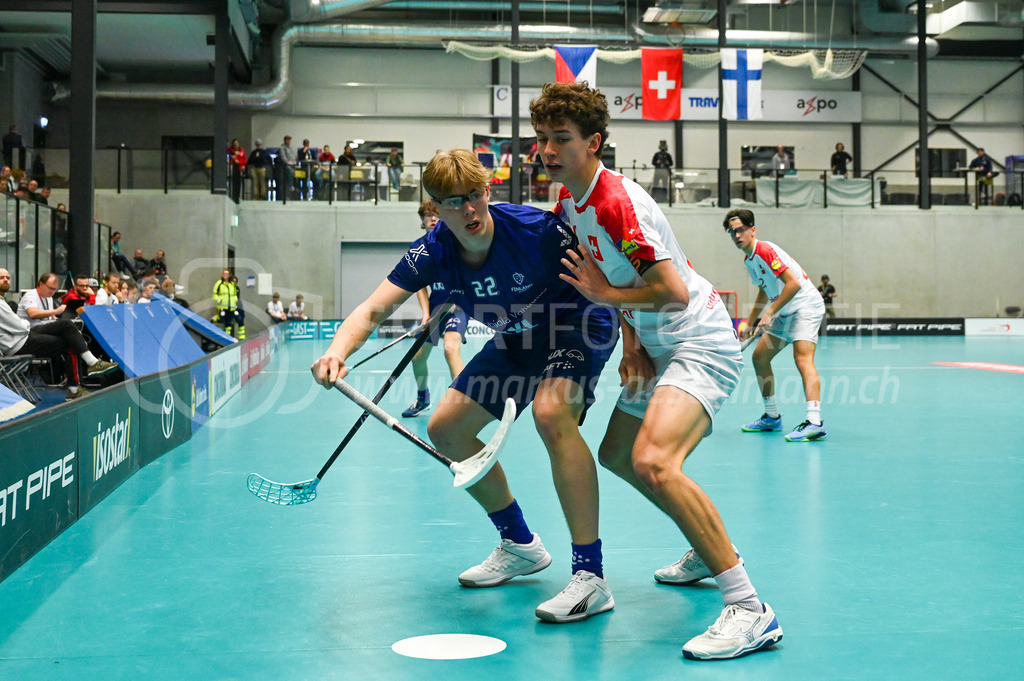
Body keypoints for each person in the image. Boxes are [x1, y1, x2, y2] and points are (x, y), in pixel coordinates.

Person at [311, 148, 619, 625]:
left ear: (488, 191)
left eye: (475, 196)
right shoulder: (432, 252)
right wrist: (337, 352)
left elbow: (613, 275)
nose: (469, 210)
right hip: (517, 340)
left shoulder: (536, 232)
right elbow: (372, 310)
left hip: (577, 324)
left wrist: (638, 343)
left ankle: (590, 575)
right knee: (447, 427)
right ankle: (520, 544)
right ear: (435, 208)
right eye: (453, 202)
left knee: (551, 415)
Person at [530, 81, 782, 661]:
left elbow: (668, 289)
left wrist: (605, 294)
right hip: (654, 342)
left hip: (699, 339)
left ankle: (749, 608)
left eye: (561, 139)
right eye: (542, 138)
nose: (547, 150)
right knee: (618, 455)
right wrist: (631, 343)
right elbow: (612, 282)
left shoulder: (617, 202)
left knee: (654, 460)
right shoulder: (573, 201)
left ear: (594, 142)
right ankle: (704, 541)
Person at [723, 208, 827, 443]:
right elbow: (764, 289)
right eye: (732, 232)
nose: (737, 235)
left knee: (802, 358)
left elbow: (793, 284)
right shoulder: (749, 260)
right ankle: (772, 417)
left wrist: (769, 313)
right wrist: (750, 322)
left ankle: (814, 422)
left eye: (740, 230)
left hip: (805, 306)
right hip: (784, 310)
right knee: (759, 358)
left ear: (753, 229)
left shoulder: (765, 250)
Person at [1, 268, 119, 400]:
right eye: (1, 278)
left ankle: (84, 375)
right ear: (41, 284)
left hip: (26, 336)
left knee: (68, 330)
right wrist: (54, 312)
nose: (5, 280)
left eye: (7, 277)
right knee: (68, 333)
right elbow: (23, 323)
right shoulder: (22, 298)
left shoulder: (44, 298)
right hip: (21, 341)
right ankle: (85, 372)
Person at [401, 200, 469, 418]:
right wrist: (426, 313)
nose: (432, 219)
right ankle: (423, 399)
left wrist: (459, 300)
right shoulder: (418, 248)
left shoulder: (456, 242)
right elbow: (419, 283)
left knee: (451, 349)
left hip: (458, 306)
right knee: (417, 358)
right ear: (422, 219)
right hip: (436, 310)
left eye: (436, 214)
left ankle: (463, 404)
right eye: (428, 215)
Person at [212, 269, 245, 339]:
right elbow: (214, 293)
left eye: (227, 274)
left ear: (229, 275)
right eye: (224, 273)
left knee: (229, 323)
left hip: (231, 307)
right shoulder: (219, 283)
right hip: (222, 307)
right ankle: (215, 319)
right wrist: (219, 300)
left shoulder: (232, 284)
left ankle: (227, 337)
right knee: (222, 320)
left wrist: (235, 300)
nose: (225, 275)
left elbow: (235, 294)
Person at [276, 135, 297, 200]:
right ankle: (291, 186)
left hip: (293, 164)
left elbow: (294, 156)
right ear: (285, 140)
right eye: (287, 140)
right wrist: (288, 162)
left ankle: (294, 188)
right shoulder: (282, 148)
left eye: (289, 140)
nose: (289, 141)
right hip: (285, 165)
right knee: (291, 171)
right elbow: (283, 157)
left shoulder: (291, 148)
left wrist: (294, 162)